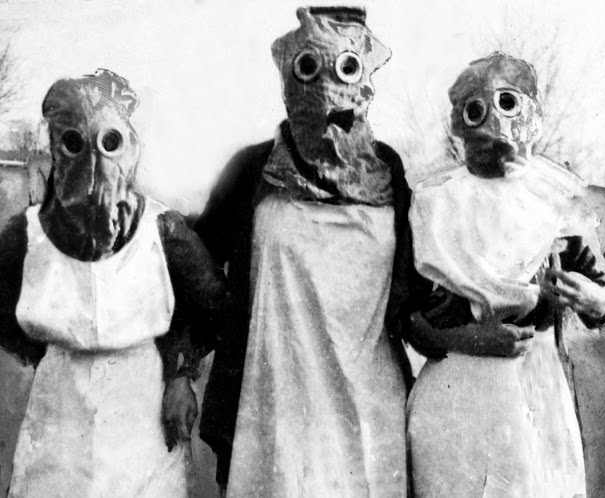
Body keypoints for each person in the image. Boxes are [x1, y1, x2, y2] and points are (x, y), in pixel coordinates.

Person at [171, 6, 415, 497]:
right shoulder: (253, 170)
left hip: (368, 413)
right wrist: (181, 369)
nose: (326, 87)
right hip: (270, 412)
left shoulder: (388, 171)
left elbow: (419, 288)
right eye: (309, 66)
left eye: (345, 66)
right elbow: (198, 273)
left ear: (364, 75)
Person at [0, 69, 226, 498]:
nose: (94, 162)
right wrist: (47, 352)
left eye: (109, 142)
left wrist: (180, 375)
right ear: (56, 147)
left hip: (140, 401)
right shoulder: (25, 235)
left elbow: (211, 307)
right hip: (59, 410)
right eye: (74, 143)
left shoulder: (164, 231)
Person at [406, 52, 605, 498]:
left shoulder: (552, 200)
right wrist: (465, 338)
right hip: (456, 392)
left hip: (534, 389)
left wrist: (594, 298)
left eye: (508, 104)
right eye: (477, 109)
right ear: (460, 123)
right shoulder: (434, 208)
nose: (495, 129)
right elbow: (406, 315)